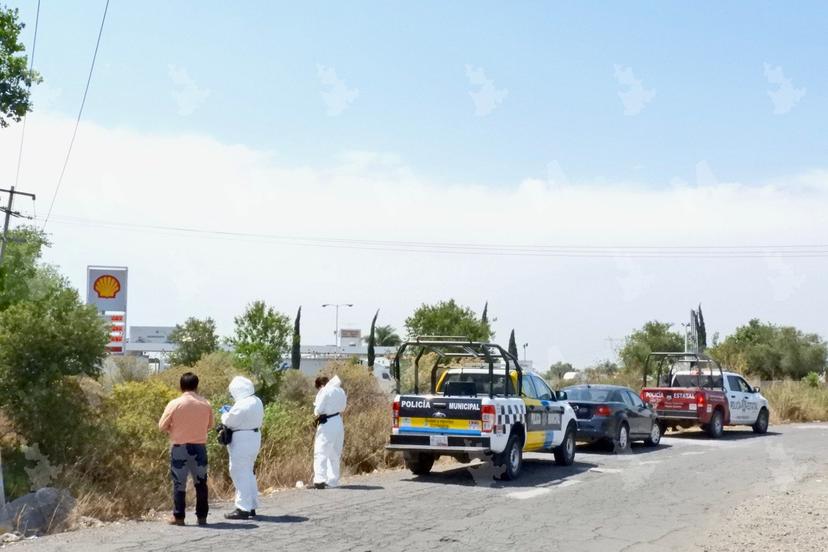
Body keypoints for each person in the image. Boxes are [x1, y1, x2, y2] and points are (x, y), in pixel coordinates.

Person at [158, 372, 213, 526]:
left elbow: (162, 426)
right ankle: (202, 516)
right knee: (201, 483)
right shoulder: (205, 404)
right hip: (199, 448)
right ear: (196, 386)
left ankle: (179, 516)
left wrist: (174, 429)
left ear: (181, 386)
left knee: (179, 483)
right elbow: (210, 425)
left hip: (179, 448)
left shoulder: (174, 404)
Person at [221, 376, 264, 520]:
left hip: (242, 440)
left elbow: (229, 421)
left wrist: (224, 414)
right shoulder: (256, 401)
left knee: (239, 472)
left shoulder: (242, 404)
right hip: (253, 437)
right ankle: (251, 505)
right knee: (248, 472)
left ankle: (242, 508)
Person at [312, 375, 347, 489]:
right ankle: (333, 480)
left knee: (321, 451)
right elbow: (343, 407)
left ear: (320, 385)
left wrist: (316, 410)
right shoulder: (341, 391)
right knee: (334, 453)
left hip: (327, 423)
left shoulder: (325, 391)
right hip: (338, 421)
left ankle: (319, 479)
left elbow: (318, 410)